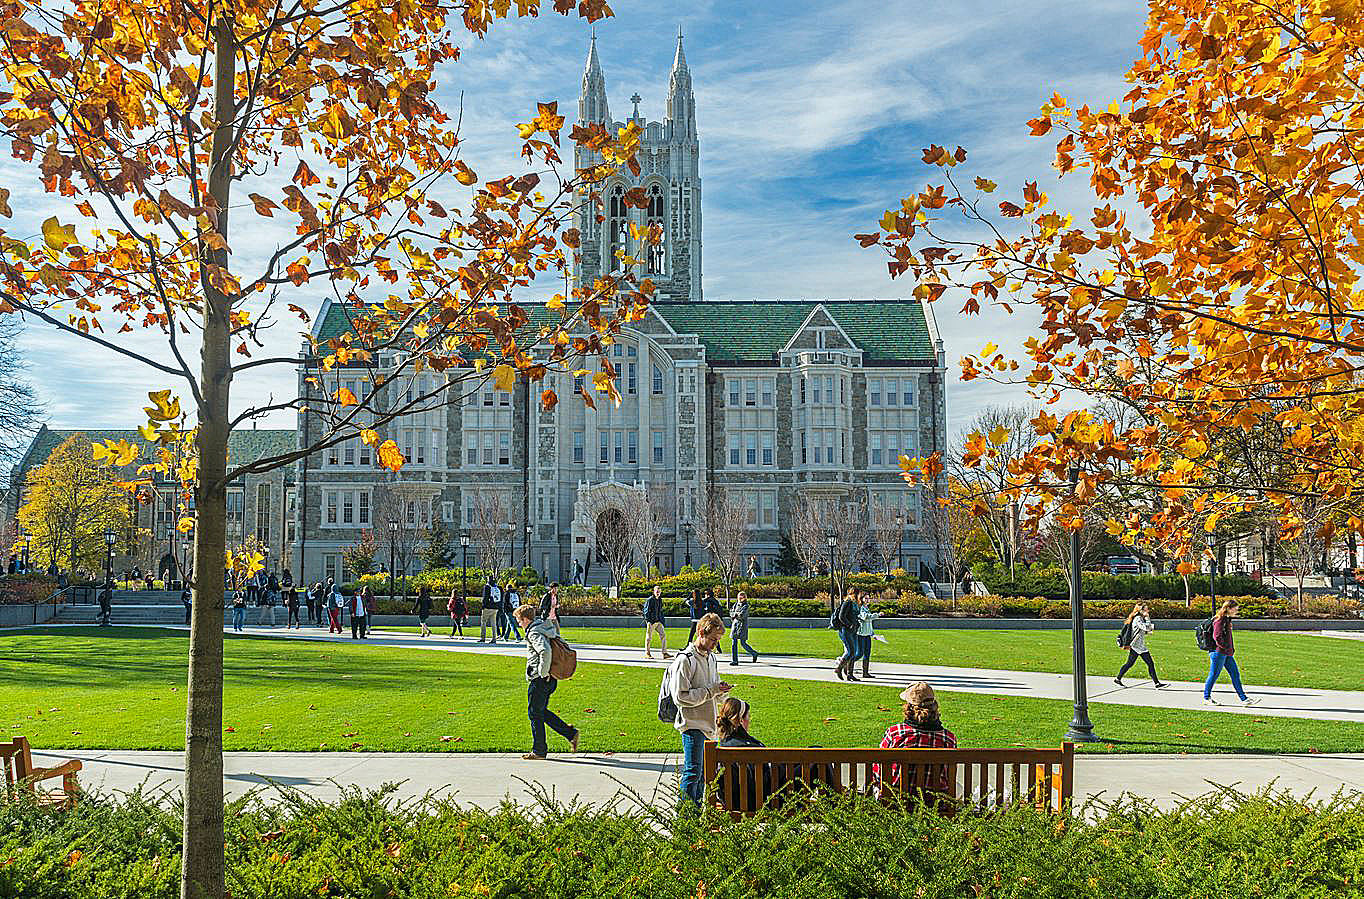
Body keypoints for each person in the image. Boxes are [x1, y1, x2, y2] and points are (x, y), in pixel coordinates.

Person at [671, 612, 732, 804]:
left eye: (718, 640)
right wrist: (712, 690)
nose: (715, 644)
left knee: (703, 776)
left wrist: (721, 691)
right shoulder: (685, 660)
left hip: (709, 726)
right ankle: (686, 818)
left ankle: (695, 817)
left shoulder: (711, 658)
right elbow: (680, 697)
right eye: (713, 639)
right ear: (700, 633)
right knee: (693, 772)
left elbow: (712, 688)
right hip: (692, 724)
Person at [516, 603, 579, 760]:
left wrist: (542, 673)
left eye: (519, 620)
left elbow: (545, 650)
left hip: (541, 679)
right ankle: (570, 733)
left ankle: (539, 750)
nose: (518, 623)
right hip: (550, 679)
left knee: (534, 713)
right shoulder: (544, 628)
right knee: (540, 711)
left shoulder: (534, 632)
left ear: (526, 619)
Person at [874, 682, 957, 795]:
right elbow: (947, 777)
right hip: (934, 805)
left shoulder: (895, 733)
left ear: (908, 707)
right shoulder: (948, 739)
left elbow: (878, 771)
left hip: (895, 803)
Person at [1204, 599, 1257, 706]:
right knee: (1214, 675)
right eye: (1235, 609)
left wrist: (1229, 649)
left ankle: (1244, 699)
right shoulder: (1220, 620)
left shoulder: (1226, 619)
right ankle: (1206, 697)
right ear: (1228, 608)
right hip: (1218, 653)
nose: (1236, 611)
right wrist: (1226, 647)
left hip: (1226, 653)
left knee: (1235, 674)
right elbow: (1217, 637)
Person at [1115, 602, 1166, 688]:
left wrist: (1146, 631)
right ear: (1141, 610)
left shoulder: (1139, 618)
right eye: (1146, 609)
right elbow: (1146, 627)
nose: (1148, 611)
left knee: (1149, 663)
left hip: (1141, 646)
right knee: (1130, 664)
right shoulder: (1138, 618)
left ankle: (1157, 683)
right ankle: (1118, 679)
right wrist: (1148, 618)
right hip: (1136, 646)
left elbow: (1141, 630)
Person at [833, 589, 861, 681]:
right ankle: (839, 668)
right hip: (845, 630)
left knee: (854, 652)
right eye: (857, 594)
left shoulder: (855, 603)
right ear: (853, 594)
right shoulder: (847, 602)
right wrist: (850, 624)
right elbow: (841, 616)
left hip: (853, 630)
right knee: (851, 652)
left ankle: (850, 674)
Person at [728, 591, 758, 666]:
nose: (740, 598)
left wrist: (736, 614)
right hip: (735, 625)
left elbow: (742, 615)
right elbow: (731, 612)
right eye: (739, 596)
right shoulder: (736, 604)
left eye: (742, 596)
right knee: (733, 643)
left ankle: (754, 653)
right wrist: (734, 614)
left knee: (743, 643)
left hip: (742, 626)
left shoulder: (746, 606)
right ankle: (735, 660)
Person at [855, 592, 880, 679]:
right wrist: (878, 615)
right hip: (861, 635)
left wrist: (872, 634)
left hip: (867, 635)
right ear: (861, 599)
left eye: (868, 598)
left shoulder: (866, 608)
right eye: (865, 598)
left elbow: (869, 624)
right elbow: (865, 617)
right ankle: (846, 664)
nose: (867, 600)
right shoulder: (861, 608)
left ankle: (865, 673)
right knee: (859, 654)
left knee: (867, 654)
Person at [643, 585, 670, 659]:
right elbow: (646, 611)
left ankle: (664, 653)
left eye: (659, 591)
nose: (658, 593)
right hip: (652, 622)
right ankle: (647, 653)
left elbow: (660, 611)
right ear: (654, 592)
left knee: (663, 636)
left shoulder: (660, 599)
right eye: (656, 591)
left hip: (658, 621)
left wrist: (662, 620)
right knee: (649, 638)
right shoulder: (650, 600)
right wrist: (649, 620)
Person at [478, 575, 500, 643]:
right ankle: (494, 638)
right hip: (495, 607)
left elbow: (485, 597)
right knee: (494, 624)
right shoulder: (497, 587)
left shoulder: (487, 587)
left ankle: (483, 638)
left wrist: (483, 606)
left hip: (487, 607)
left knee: (483, 622)